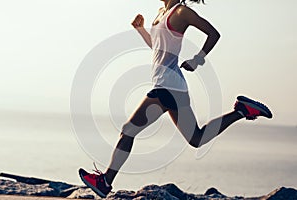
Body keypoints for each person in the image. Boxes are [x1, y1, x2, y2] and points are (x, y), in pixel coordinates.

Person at [79, 0, 272, 198]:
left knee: (129, 130)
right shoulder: (162, 13)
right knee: (196, 138)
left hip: (167, 85)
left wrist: (197, 59)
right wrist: (140, 30)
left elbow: (214, 34)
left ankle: (105, 182)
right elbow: (157, 47)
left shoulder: (181, 12)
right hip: (172, 86)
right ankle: (242, 110)